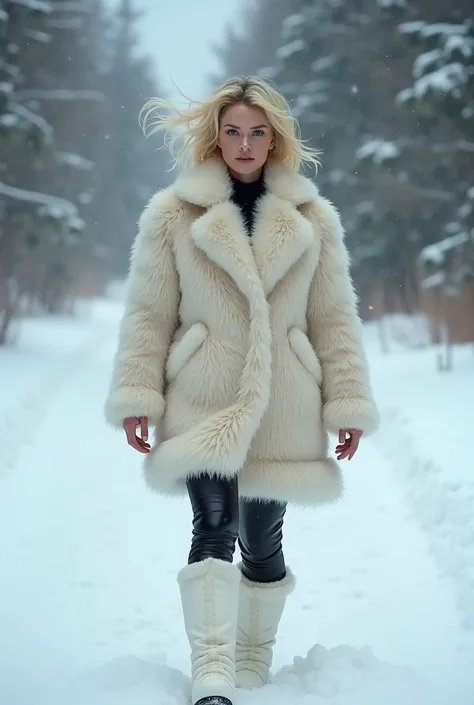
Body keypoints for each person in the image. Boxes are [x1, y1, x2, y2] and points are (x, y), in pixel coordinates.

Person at [104, 75, 379, 705]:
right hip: (205, 397)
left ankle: (253, 656)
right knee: (214, 523)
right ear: (217, 138)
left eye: (257, 132)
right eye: (233, 132)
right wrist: (138, 395)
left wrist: (347, 402)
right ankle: (213, 670)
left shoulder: (313, 220)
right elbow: (149, 313)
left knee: (262, 541)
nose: (245, 144)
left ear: (274, 138)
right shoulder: (174, 215)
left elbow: (334, 317)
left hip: (284, 403)